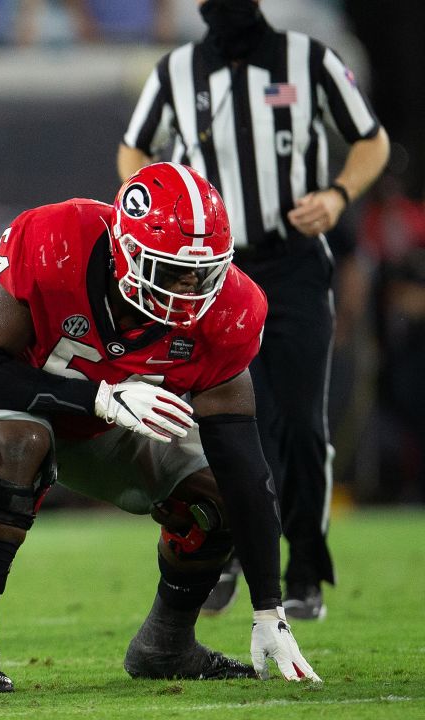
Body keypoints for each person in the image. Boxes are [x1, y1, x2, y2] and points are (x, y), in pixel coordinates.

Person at [0, 162, 321, 693]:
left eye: (204, 270)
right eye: (171, 268)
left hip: (97, 411)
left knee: (215, 495)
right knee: (14, 444)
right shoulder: (60, 239)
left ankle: (166, 645)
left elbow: (243, 464)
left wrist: (269, 611)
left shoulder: (232, 309)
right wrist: (101, 396)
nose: (190, 287)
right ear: (124, 249)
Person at [117, 0, 389, 620]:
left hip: (292, 260)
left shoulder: (309, 59)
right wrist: (158, 216)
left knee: (299, 423)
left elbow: (371, 141)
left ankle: (306, 564)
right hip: (214, 270)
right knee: (232, 419)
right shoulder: (176, 70)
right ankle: (230, 547)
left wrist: (338, 194)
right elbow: (133, 154)